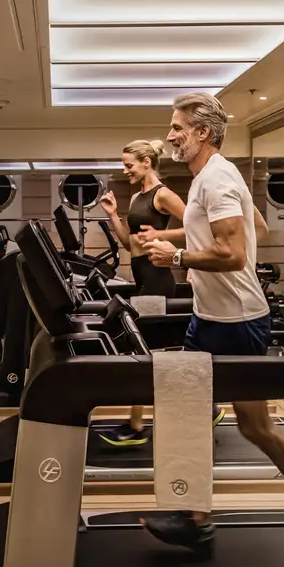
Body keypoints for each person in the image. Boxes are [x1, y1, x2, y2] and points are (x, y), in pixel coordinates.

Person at [138, 91, 284, 567]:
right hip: (209, 317)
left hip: (236, 322)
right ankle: (196, 520)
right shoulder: (210, 177)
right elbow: (256, 227)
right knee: (188, 412)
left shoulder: (215, 179)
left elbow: (235, 255)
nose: (170, 135)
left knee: (255, 428)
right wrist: (169, 237)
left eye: (177, 127)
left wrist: (176, 257)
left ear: (202, 132)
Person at [97, 139, 195, 446]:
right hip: (142, 278)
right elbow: (130, 244)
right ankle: (202, 409)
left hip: (157, 280)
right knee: (146, 351)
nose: (125, 170)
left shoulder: (162, 194)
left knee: (144, 352)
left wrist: (163, 236)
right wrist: (113, 214)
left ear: (146, 162)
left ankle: (136, 425)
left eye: (129, 165)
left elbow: (196, 226)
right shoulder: (138, 196)